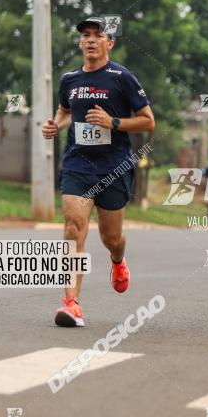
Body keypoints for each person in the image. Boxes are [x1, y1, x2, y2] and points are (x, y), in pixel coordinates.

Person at [42, 17, 156, 327]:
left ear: (110, 43)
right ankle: (71, 303)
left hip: (113, 166)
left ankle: (118, 261)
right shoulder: (69, 79)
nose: (91, 40)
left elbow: (148, 121)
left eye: (98, 35)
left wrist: (113, 122)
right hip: (78, 164)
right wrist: (56, 124)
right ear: (80, 43)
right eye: (85, 36)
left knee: (111, 236)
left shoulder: (122, 77)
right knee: (72, 228)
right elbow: (66, 109)